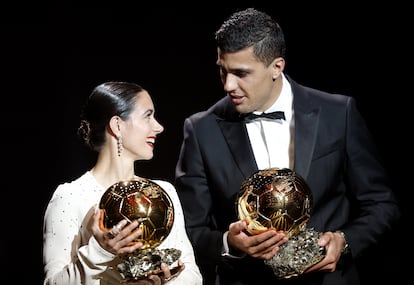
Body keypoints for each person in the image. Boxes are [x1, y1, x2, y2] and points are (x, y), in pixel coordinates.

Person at [174, 7, 401, 285]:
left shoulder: (337, 113)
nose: (228, 85)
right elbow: (189, 230)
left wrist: (345, 240)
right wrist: (229, 243)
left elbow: (381, 203)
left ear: (277, 67)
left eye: (241, 73)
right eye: (222, 71)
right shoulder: (201, 129)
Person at [43, 81, 203, 285]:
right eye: (148, 116)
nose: (159, 127)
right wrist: (100, 251)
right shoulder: (70, 197)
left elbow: (193, 275)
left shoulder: (164, 193)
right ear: (117, 125)